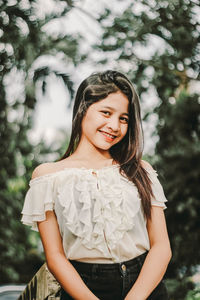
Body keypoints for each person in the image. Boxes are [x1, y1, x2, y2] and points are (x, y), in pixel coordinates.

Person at [21, 70, 172, 300]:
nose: (114, 125)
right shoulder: (47, 177)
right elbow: (55, 257)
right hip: (83, 289)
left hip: (146, 287)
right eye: (106, 112)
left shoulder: (141, 171)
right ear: (83, 109)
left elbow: (161, 247)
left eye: (124, 118)